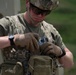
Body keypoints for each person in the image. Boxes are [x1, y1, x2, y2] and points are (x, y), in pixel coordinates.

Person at [0, 0, 74, 74]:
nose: (41, 15)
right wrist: (15, 39)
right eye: (37, 11)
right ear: (27, 3)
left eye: (46, 12)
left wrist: (59, 52)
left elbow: (69, 64)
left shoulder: (51, 32)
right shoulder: (9, 24)